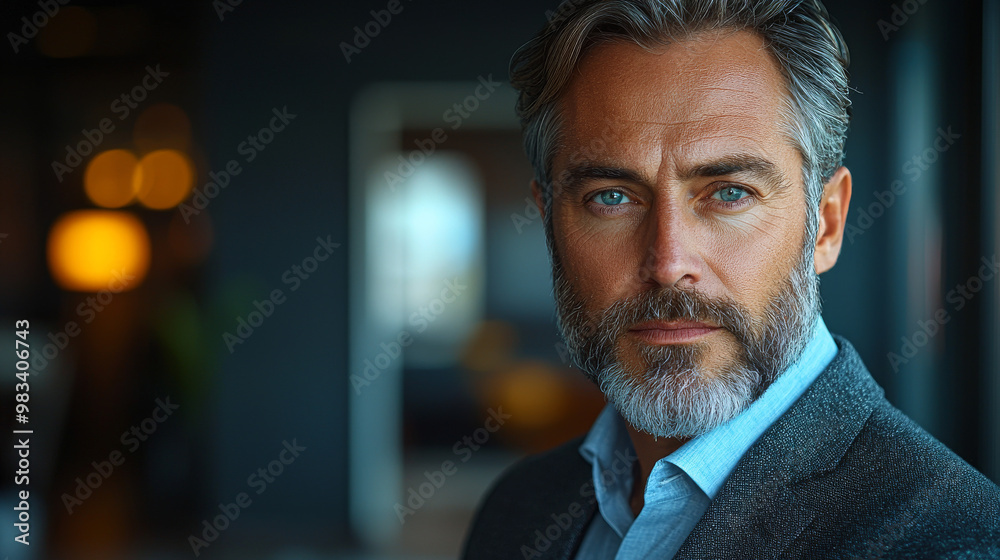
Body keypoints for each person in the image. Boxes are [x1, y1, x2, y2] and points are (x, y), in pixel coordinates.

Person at [461, 1, 1000, 558]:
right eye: (612, 198)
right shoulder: (517, 510)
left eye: (729, 193)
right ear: (547, 221)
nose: (669, 263)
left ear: (827, 224)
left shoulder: (952, 540)